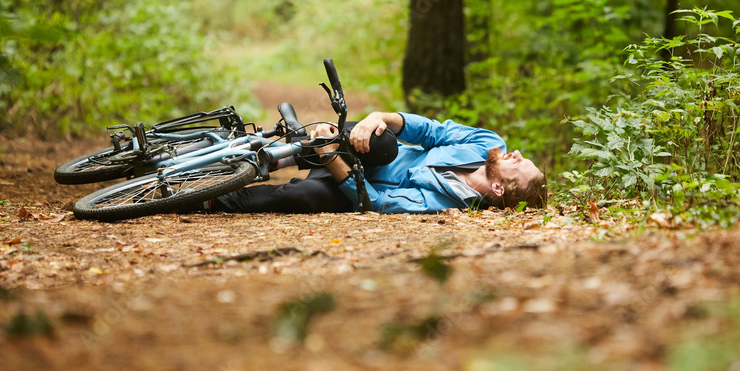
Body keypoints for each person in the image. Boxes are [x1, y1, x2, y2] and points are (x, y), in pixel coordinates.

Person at [201, 111, 547, 215]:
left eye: (519, 164)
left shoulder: (447, 204)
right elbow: (430, 131)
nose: (516, 154)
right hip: (369, 151)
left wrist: (330, 155)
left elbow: (376, 202)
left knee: (304, 196)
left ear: (499, 188)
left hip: (349, 182)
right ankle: (273, 149)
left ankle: (210, 197)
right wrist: (378, 117)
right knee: (384, 142)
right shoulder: (489, 144)